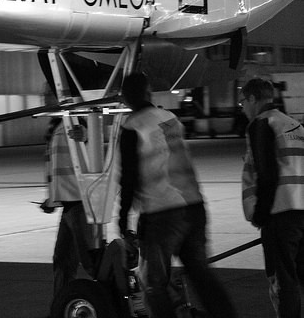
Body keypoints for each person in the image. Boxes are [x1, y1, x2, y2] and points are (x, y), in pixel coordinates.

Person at [118, 72, 238, 318]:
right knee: (201, 275)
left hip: (161, 213)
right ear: (149, 92)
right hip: (194, 207)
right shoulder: (171, 118)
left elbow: (128, 177)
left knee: (154, 283)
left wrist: (122, 219)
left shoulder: (132, 126)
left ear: (125, 98)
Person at [241, 77, 304, 318]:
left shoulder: (261, 124)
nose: (243, 108)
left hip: (281, 213)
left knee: (284, 281)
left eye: (243, 102)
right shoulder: (294, 125)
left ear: (252, 99)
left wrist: (260, 215)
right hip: (302, 212)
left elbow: (267, 174)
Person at [40, 117, 96, 310]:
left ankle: (114, 303)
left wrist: (85, 136)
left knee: (91, 262)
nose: (45, 101)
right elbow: (56, 169)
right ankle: (60, 307)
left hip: (81, 203)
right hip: (69, 205)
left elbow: (89, 139)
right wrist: (52, 200)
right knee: (63, 261)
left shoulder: (74, 119)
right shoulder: (57, 125)